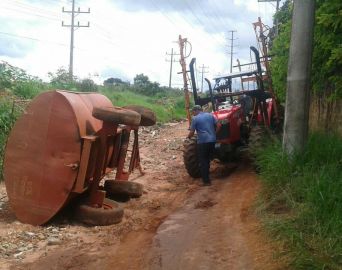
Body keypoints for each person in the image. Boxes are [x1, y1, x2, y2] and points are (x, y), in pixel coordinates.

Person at [186, 105, 220, 186]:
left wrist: (188, 137)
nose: (192, 114)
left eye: (193, 112)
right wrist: (214, 134)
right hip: (212, 141)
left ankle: (206, 181)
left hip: (203, 142)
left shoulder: (195, 118)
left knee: (203, 161)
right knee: (207, 159)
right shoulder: (210, 115)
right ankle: (207, 175)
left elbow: (192, 132)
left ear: (196, 111)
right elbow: (219, 125)